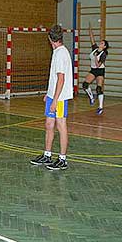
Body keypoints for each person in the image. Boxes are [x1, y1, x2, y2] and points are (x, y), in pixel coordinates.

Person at [30, 25, 73, 171]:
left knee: (61, 126)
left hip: (59, 98)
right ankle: (47, 155)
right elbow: (55, 79)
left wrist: (55, 100)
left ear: (50, 39)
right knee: (49, 124)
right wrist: (48, 95)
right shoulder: (57, 52)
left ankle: (62, 159)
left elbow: (61, 79)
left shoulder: (61, 54)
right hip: (53, 96)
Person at [81, 24, 109, 115]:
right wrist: (90, 30)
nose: (100, 43)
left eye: (102, 43)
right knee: (85, 85)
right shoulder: (95, 49)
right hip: (93, 70)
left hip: (100, 71)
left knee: (99, 88)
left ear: (104, 46)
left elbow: (98, 65)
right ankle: (91, 97)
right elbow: (92, 39)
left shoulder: (103, 54)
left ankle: (100, 107)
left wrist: (97, 57)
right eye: (100, 42)